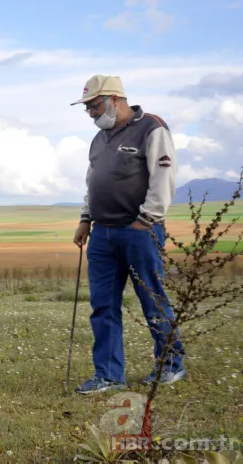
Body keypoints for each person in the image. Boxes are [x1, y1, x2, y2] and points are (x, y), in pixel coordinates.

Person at [71, 75, 186, 395]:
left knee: (153, 300)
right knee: (103, 306)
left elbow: (164, 175)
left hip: (138, 231)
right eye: (87, 108)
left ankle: (171, 365)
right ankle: (108, 374)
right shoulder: (99, 140)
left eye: (93, 105)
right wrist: (85, 219)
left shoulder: (151, 127)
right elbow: (93, 181)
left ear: (114, 99)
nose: (91, 113)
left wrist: (146, 219)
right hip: (103, 235)